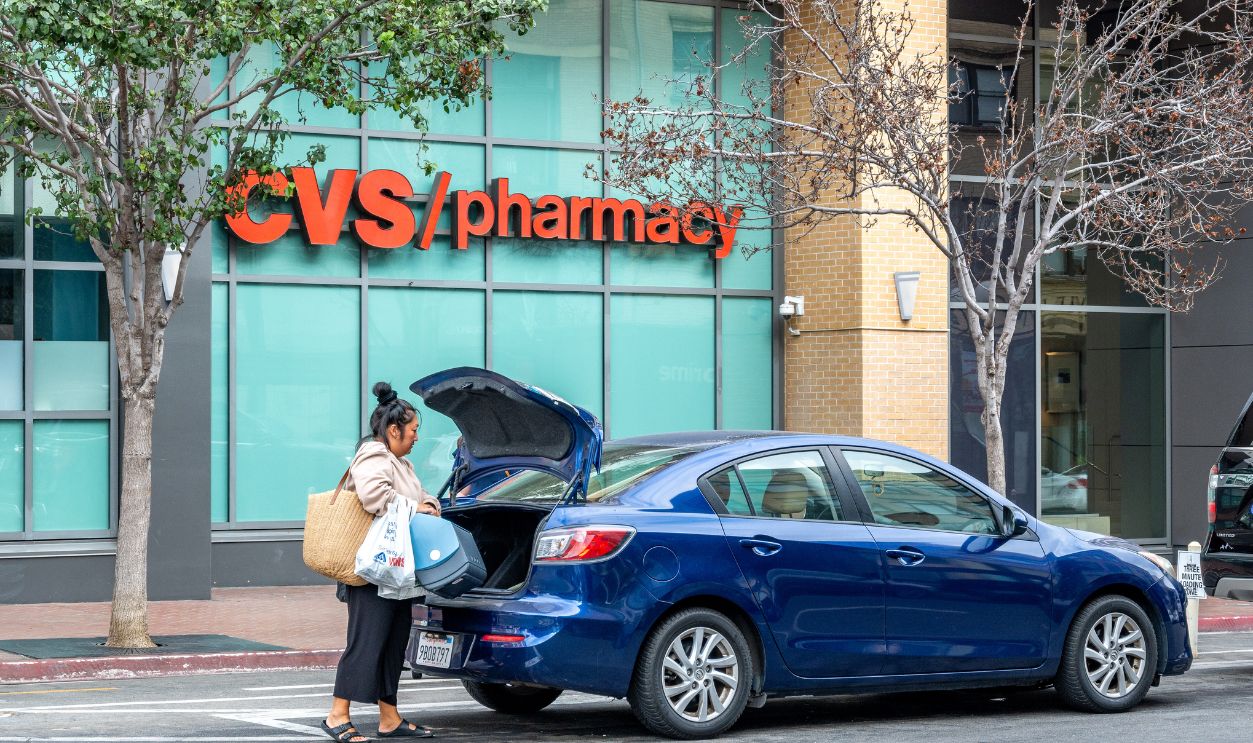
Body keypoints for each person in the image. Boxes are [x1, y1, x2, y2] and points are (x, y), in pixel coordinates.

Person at [322, 382, 441, 742]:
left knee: (392, 643)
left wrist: (429, 504)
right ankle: (336, 715)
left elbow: (419, 496)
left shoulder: (399, 462)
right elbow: (375, 497)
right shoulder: (373, 455)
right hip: (372, 570)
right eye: (414, 430)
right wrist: (417, 507)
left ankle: (389, 718)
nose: (417, 437)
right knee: (367, 641)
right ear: (394, 430)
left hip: (396, 570)